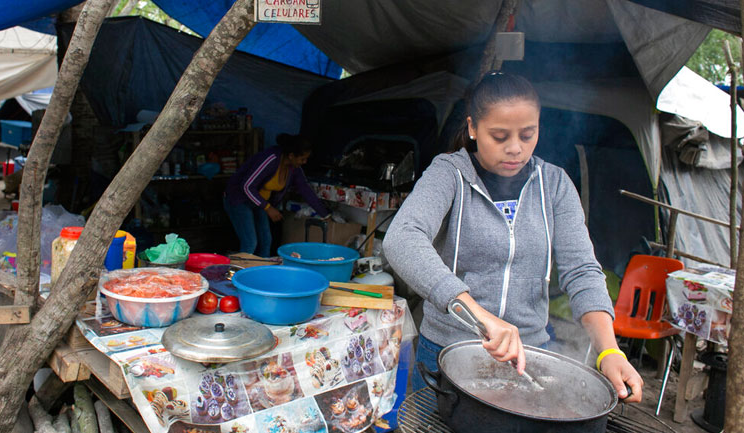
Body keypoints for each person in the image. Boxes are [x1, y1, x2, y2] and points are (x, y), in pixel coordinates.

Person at [383, 72, 643, 402]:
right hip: (446, 352)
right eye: (500, 136)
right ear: (473, 128)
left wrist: (610, 352)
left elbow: (582, 271)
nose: (516, 149)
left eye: (527, 134)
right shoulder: (448, 174)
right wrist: (480, 316)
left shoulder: (555, 185)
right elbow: (402, 238)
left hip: (527, 359)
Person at [224, 133, 330, 257]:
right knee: (250, 242)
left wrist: (325, 214)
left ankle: (263, 273)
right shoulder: (271, 159)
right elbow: (247, 186)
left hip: (260, 203)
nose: (305, 162)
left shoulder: (293, 168)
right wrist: (268, 208)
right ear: (291, 156)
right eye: (302, 159)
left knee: (266, 241)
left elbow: (305, 189)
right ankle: (241, 273)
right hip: (239, 199)